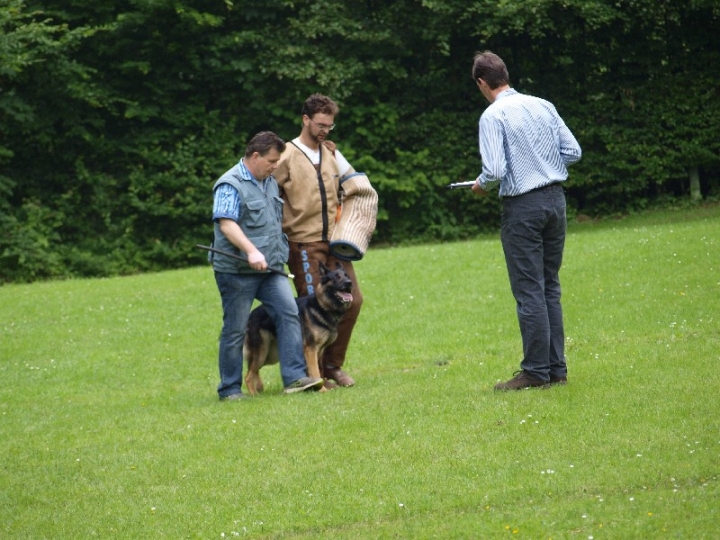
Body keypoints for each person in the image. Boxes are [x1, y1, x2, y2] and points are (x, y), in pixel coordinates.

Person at [470, 51, 582, 391]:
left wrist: (481, 185)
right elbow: (573, 152)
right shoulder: (543, 105)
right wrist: (543, 167)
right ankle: (556, 369)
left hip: (523, 208)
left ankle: (535, 371)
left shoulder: (493, 115)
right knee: (550, 286)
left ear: (481, 83)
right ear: (505, 74)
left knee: (529, 290)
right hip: (555, 200)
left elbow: (495, 171)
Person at [210, 131, 324, 400]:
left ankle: (295, 378)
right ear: (256, 156)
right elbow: (226, 224)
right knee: (235, 329)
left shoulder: (269, 181)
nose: (276, 166)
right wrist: (251, 251)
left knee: (289, 314)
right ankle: (229, 389)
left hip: (271, 269)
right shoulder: (230, 184)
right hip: (237, 272)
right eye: (272, 160)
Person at [273, 94, 372, 389]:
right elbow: (269, 195)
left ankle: (333, 367)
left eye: (329, 126)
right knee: (313, 309)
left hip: (335, 243)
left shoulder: (330, 153)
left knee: (352, 302)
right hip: (303, 244)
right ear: (305, 120)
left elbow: (356, 181)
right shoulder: (286, 155)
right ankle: (311, 376)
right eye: (320, 125)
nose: (325, 131)